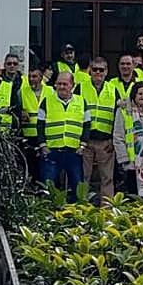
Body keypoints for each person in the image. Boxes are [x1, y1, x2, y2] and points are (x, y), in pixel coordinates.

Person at [36, 71, 89, 201]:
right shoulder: (47, 101)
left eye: (65, 84)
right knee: (49, 187)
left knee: (77, 186)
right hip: (52, 151)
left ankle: (77, 215)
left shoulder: (81, 101)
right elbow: (40, 125)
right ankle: (48, 214)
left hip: (74, 151)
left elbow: (87, 125)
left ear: (72, 85)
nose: (62, 87)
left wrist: (82, 145)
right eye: (59, 84)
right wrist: (43, 146)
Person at [76, 56, 117, 201]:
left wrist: (114, 139)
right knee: (83, 177)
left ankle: (107, 209)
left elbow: (118, 117)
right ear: (90, 71)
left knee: (107, 178)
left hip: (105, 142)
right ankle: (82, 208)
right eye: (95, 69)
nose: (98, 72)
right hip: (85, 141)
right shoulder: (80, 87)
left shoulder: (113, 89)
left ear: (106, 71)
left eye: (101, 70)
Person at [18, 65, 50, 179]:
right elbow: (18, 109)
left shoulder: (50, 91)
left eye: (34, 76)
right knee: (31, 167)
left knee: (46, 165)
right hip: (29, 135)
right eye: (30, 76)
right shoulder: (22, 92)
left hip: (46, 134)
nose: (31, 79)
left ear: (41, 77)